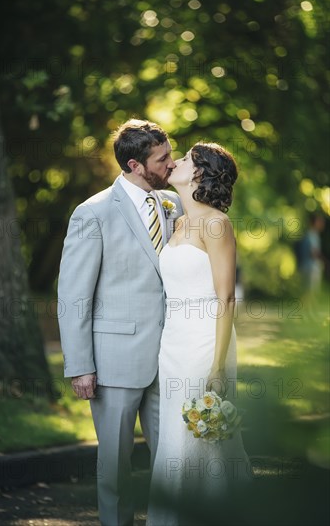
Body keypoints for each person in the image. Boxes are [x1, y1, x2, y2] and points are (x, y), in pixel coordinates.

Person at [57, 119, 183, 526]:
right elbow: (74, 296)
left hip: (171, 359)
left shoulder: (174, 205)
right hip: (114, 361)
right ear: (134, 164)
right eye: (162, 159)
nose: (171, 163)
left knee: (174, 459)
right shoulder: (91, 214)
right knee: (114, 465)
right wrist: (80, 365)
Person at [146, 143, 251, 526]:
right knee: (174, 437)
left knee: (202, 441)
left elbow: (225, 298)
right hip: (172, 344)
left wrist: (219, 365)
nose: (176, 162)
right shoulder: (176, 223)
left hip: (205, 344)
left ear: (201, 172)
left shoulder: (216, 223)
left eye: (187, 159)